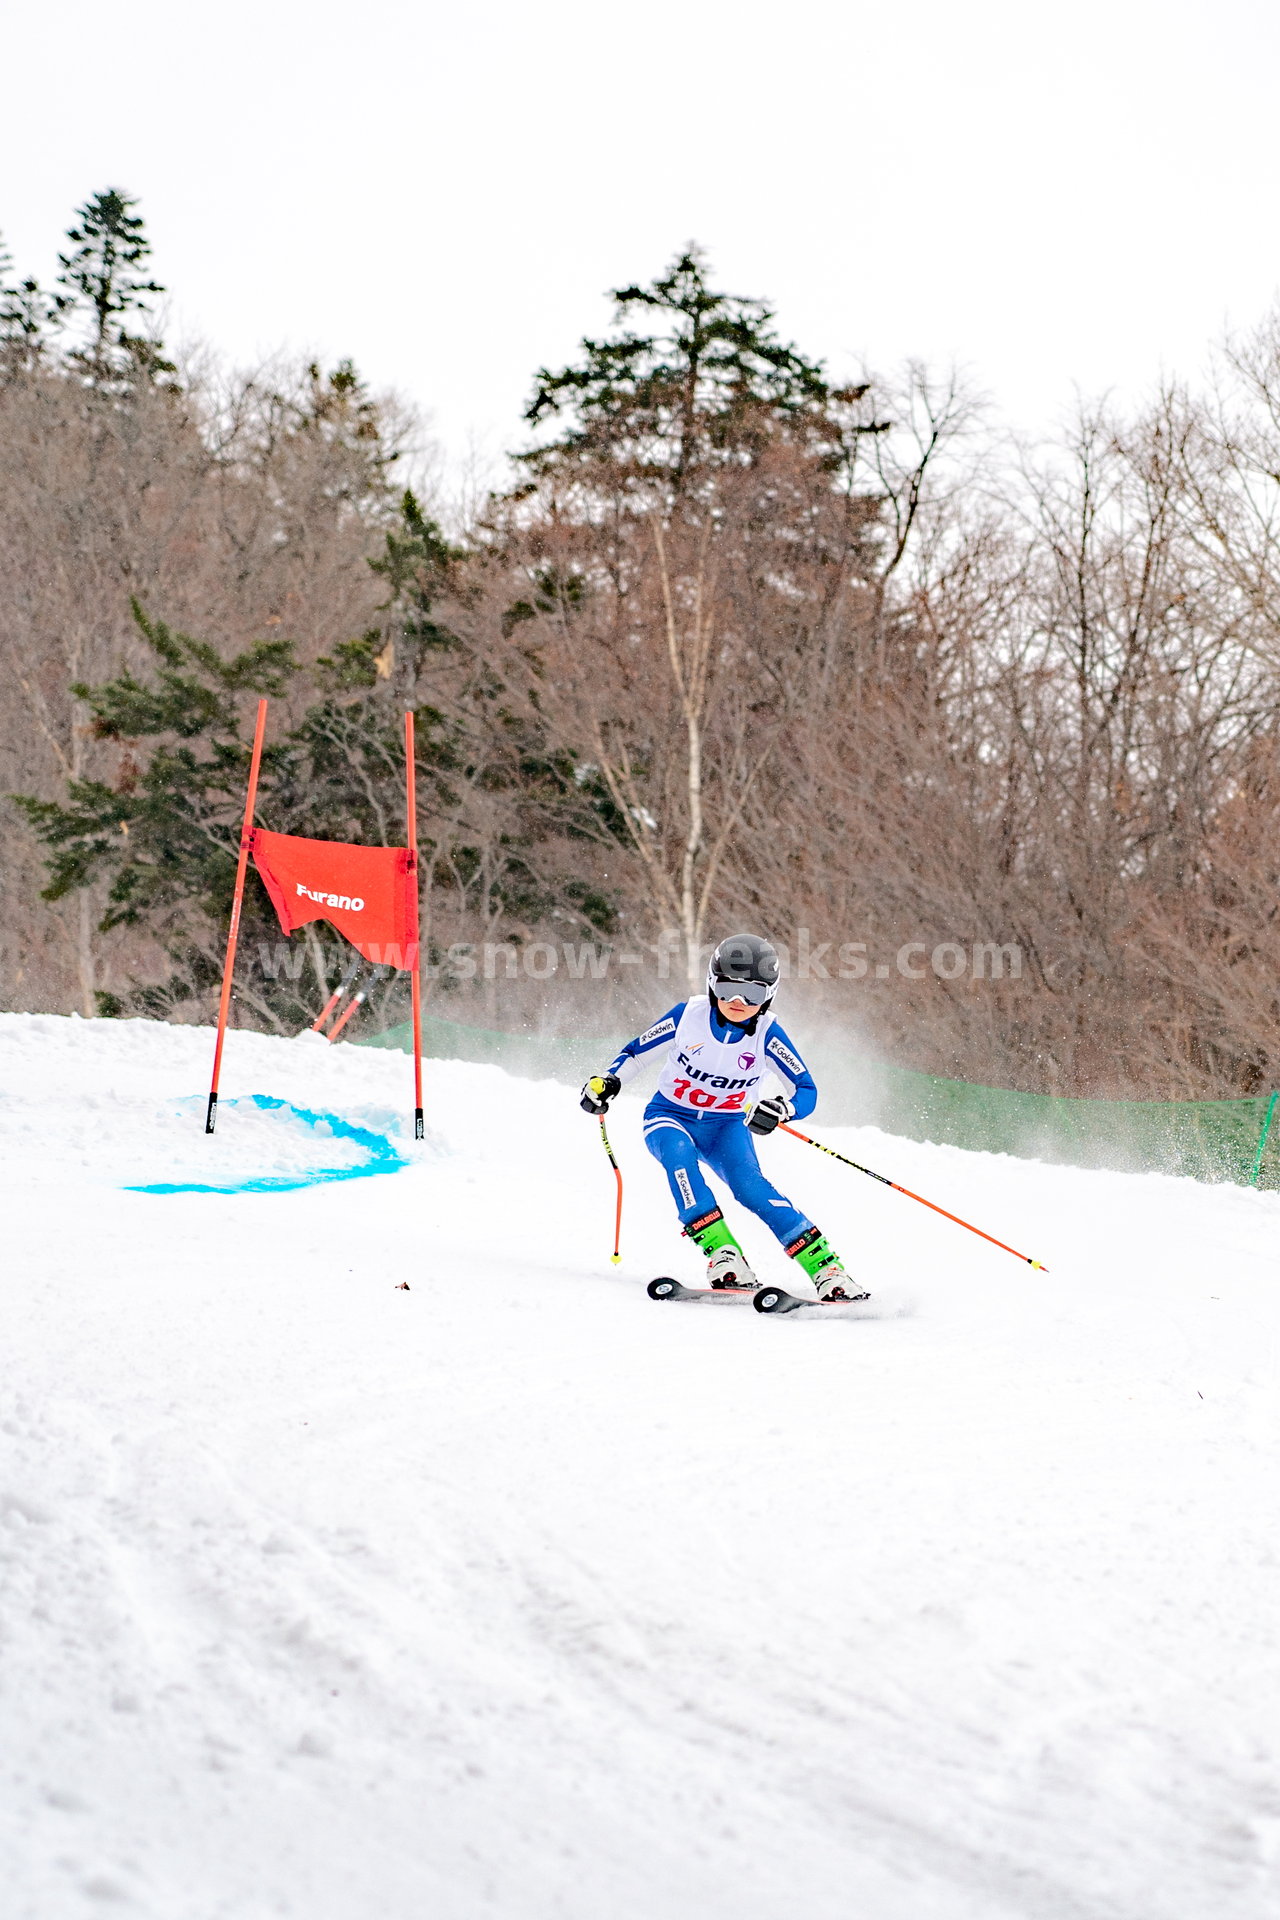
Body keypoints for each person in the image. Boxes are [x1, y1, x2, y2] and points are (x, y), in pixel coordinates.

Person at [580, 932, 866, 1301]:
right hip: (670, 1115)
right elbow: (634, 1054)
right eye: (729, 988)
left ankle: (827, 1270)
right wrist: (607, 1081)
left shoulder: (767, 1034)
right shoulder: (688, 1016)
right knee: (678, 1156)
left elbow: (806, 1090)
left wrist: (782, 1109)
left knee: (751, 1190)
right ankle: (724, 1255)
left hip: (726, 1126)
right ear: (712, 983)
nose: (737, 1001)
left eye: (753, 994)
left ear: (769, 996)